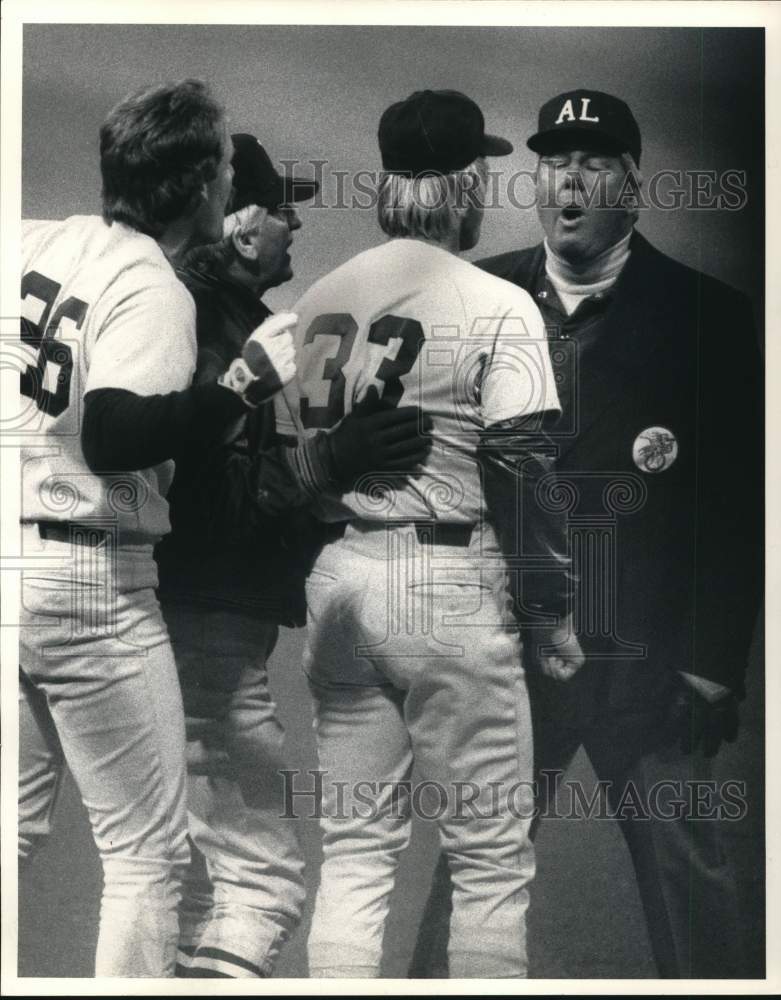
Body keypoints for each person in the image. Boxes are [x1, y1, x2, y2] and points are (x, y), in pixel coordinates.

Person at [409, 88, 764, 979]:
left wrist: (711, 657)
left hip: (647, 663)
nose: (568, 178)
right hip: (512, 651)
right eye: (554, 161)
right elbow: (442, 468)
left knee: (692, 885)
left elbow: (734, 505)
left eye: (593, 162)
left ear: (631, 186)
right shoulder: (475, 295)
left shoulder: (705, 317)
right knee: (474, 875)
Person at [275, 88, 583, 979]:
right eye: (479, 171)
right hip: (447, 577)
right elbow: (524, 473)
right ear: (461, 184)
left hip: (340, 571)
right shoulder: (497, 300)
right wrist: (551, 612)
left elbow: (303, 455)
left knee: (357, 849)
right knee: (489, 858)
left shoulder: (325, 295)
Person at [18, 80, 298, 977]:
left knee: (11, 826)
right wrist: (240, 388)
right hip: (90, 578)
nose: (230, 177)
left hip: (8, 567)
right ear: (199, 183)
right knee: (145, 855)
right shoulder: (153, 284)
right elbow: (113, 438)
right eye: (222, 162)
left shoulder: (37, 240)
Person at [154, 133, 430, 979]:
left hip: (175, 616)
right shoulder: (209, 323)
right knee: (262, 881)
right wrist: (327, 463)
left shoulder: (199, 310)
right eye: (284, 211)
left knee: (188, 886)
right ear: (241, 229)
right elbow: (204, 502)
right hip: (203, 619)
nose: (295, 228)